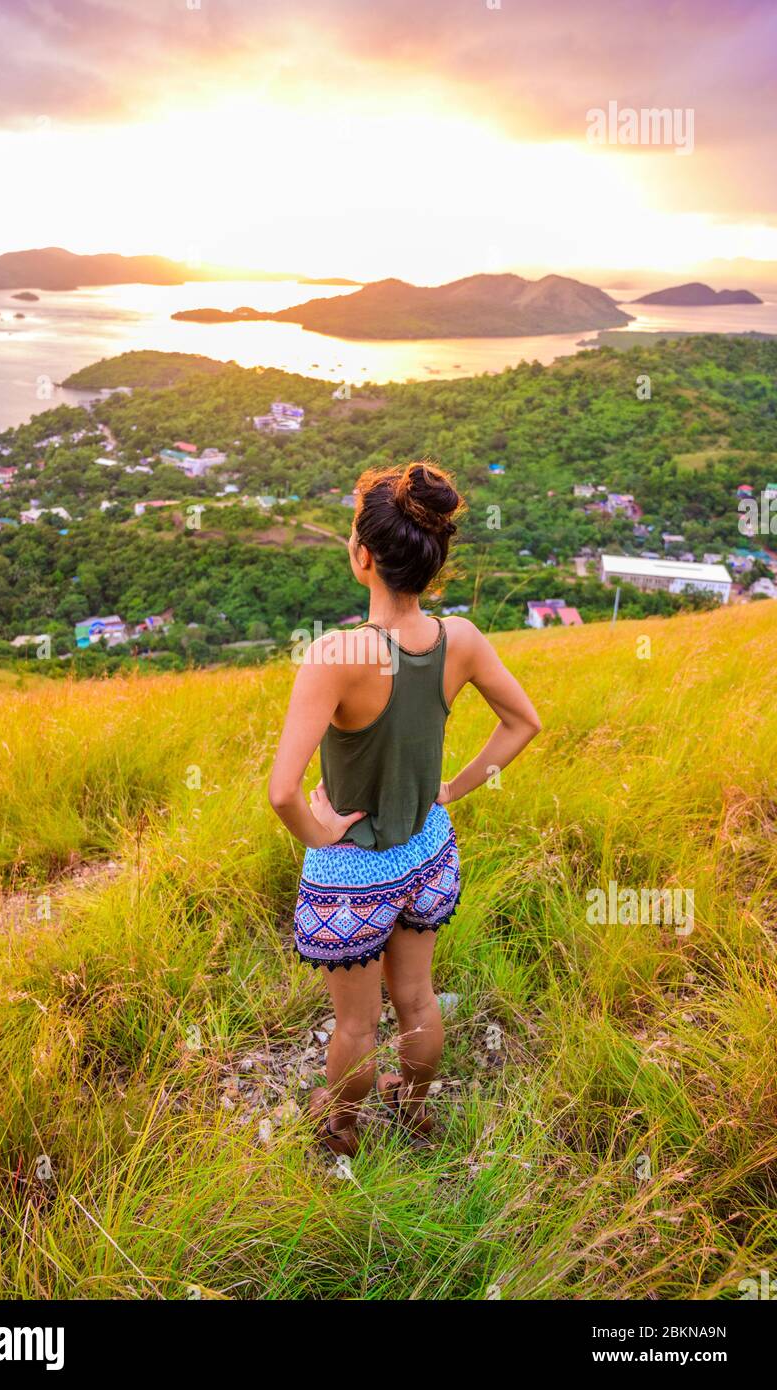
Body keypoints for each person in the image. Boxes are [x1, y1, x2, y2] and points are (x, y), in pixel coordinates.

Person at [268, 461, 541, 1155]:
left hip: (353, 871)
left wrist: (321, 831)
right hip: (428, 852)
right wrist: (455, 787)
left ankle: (342, 1126)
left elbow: (281, 790)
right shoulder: (462, 640)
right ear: (433, 560)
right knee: (417, 1001)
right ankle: (415, 1109)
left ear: (363, 557)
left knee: (356, 1028)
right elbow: (523, 723)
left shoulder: (337, 656)